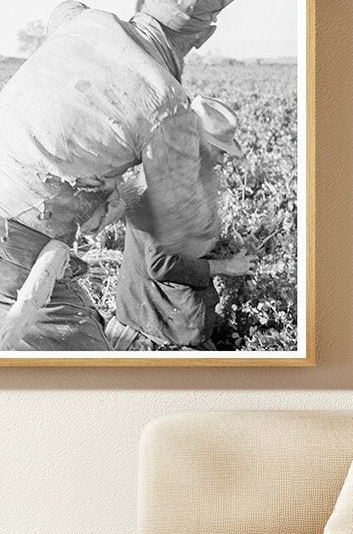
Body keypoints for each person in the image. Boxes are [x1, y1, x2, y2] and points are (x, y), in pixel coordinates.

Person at [0, 0, 236, 351]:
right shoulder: (167, 103)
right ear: (203, 36)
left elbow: (63, 10)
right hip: (1, 244)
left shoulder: (85, 22)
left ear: (142, 1)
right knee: (90, 384)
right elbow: (182, 232)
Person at [106, 97, 258, 351]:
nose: (221, 160)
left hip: (152, 310)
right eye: (219, 150)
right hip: (156, 324)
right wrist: (226, 266)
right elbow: (161, 265)